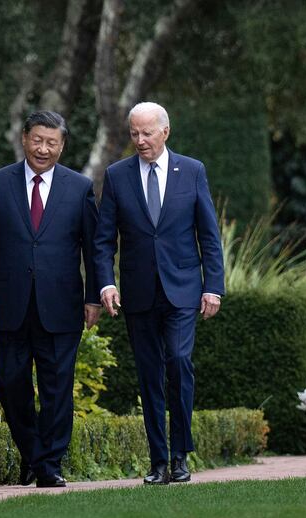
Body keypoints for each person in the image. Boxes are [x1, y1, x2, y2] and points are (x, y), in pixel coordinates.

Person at [94, 102, 224, 485]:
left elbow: (209, 236)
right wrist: (106, 282)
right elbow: (104, 240)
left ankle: (181, 455)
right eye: (134, 133)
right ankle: (158, 461)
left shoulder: (193, 171)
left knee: (180, 363)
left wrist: (213, 286)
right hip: (138, 294)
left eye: (147, 133)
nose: (140, 140)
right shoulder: (117, 176)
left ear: (165, 132)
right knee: (149, 375)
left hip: (183, 290)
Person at [0, 110, 101, 488]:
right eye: (37, 140)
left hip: (61, 305)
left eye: (52, 142)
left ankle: (49, 465)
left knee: (57, 387)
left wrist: (93, 296)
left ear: (62, 146)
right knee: (11, 383)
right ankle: (33, 453)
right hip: (11, 304)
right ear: (24, 138)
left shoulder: (79, 187)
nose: (43, 148)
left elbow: (93, 249)